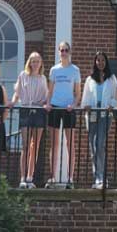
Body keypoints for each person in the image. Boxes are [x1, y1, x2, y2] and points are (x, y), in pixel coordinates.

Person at [45, 42, 81, 188]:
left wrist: (73, 105)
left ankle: (70, 179)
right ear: (58, 52)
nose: (64, 52)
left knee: (70, 143)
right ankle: (53, 177)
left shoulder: (75, 70)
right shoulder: (54, 70)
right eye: (61, 50)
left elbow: (78, 93)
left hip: (68, 109)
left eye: (66, 50)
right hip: (54, 107)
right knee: (54, 144)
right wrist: (48, 103)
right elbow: (50, 91)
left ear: (70, 52)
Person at [80, 52, 117, 189]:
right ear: (95, 62)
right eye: (98, 60)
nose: (100, 62)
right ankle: (97, 177)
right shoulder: (90, 79)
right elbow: (85, 98)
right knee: (93, 146)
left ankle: (102, 176)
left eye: (103, 60)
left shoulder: (111, 78)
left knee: (100, 144)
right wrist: (86, 106)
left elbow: (115, 98)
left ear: (106, 62)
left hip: (104, 116)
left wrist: (111, 106)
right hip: (92, 116)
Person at [13, 52, 48, 189]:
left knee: (35, 146)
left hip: (38, 111)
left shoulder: (43, 78)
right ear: (29, 62)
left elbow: (45, 96)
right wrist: (12, 102)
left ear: (41, 63)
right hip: (26, 110)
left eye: (38, 61)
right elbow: (17, 92)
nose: (35, 63)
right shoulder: (23, 75)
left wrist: (46, 104)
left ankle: (30, 177)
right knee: (26, 145)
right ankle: (23, 177)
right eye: (33, 61)